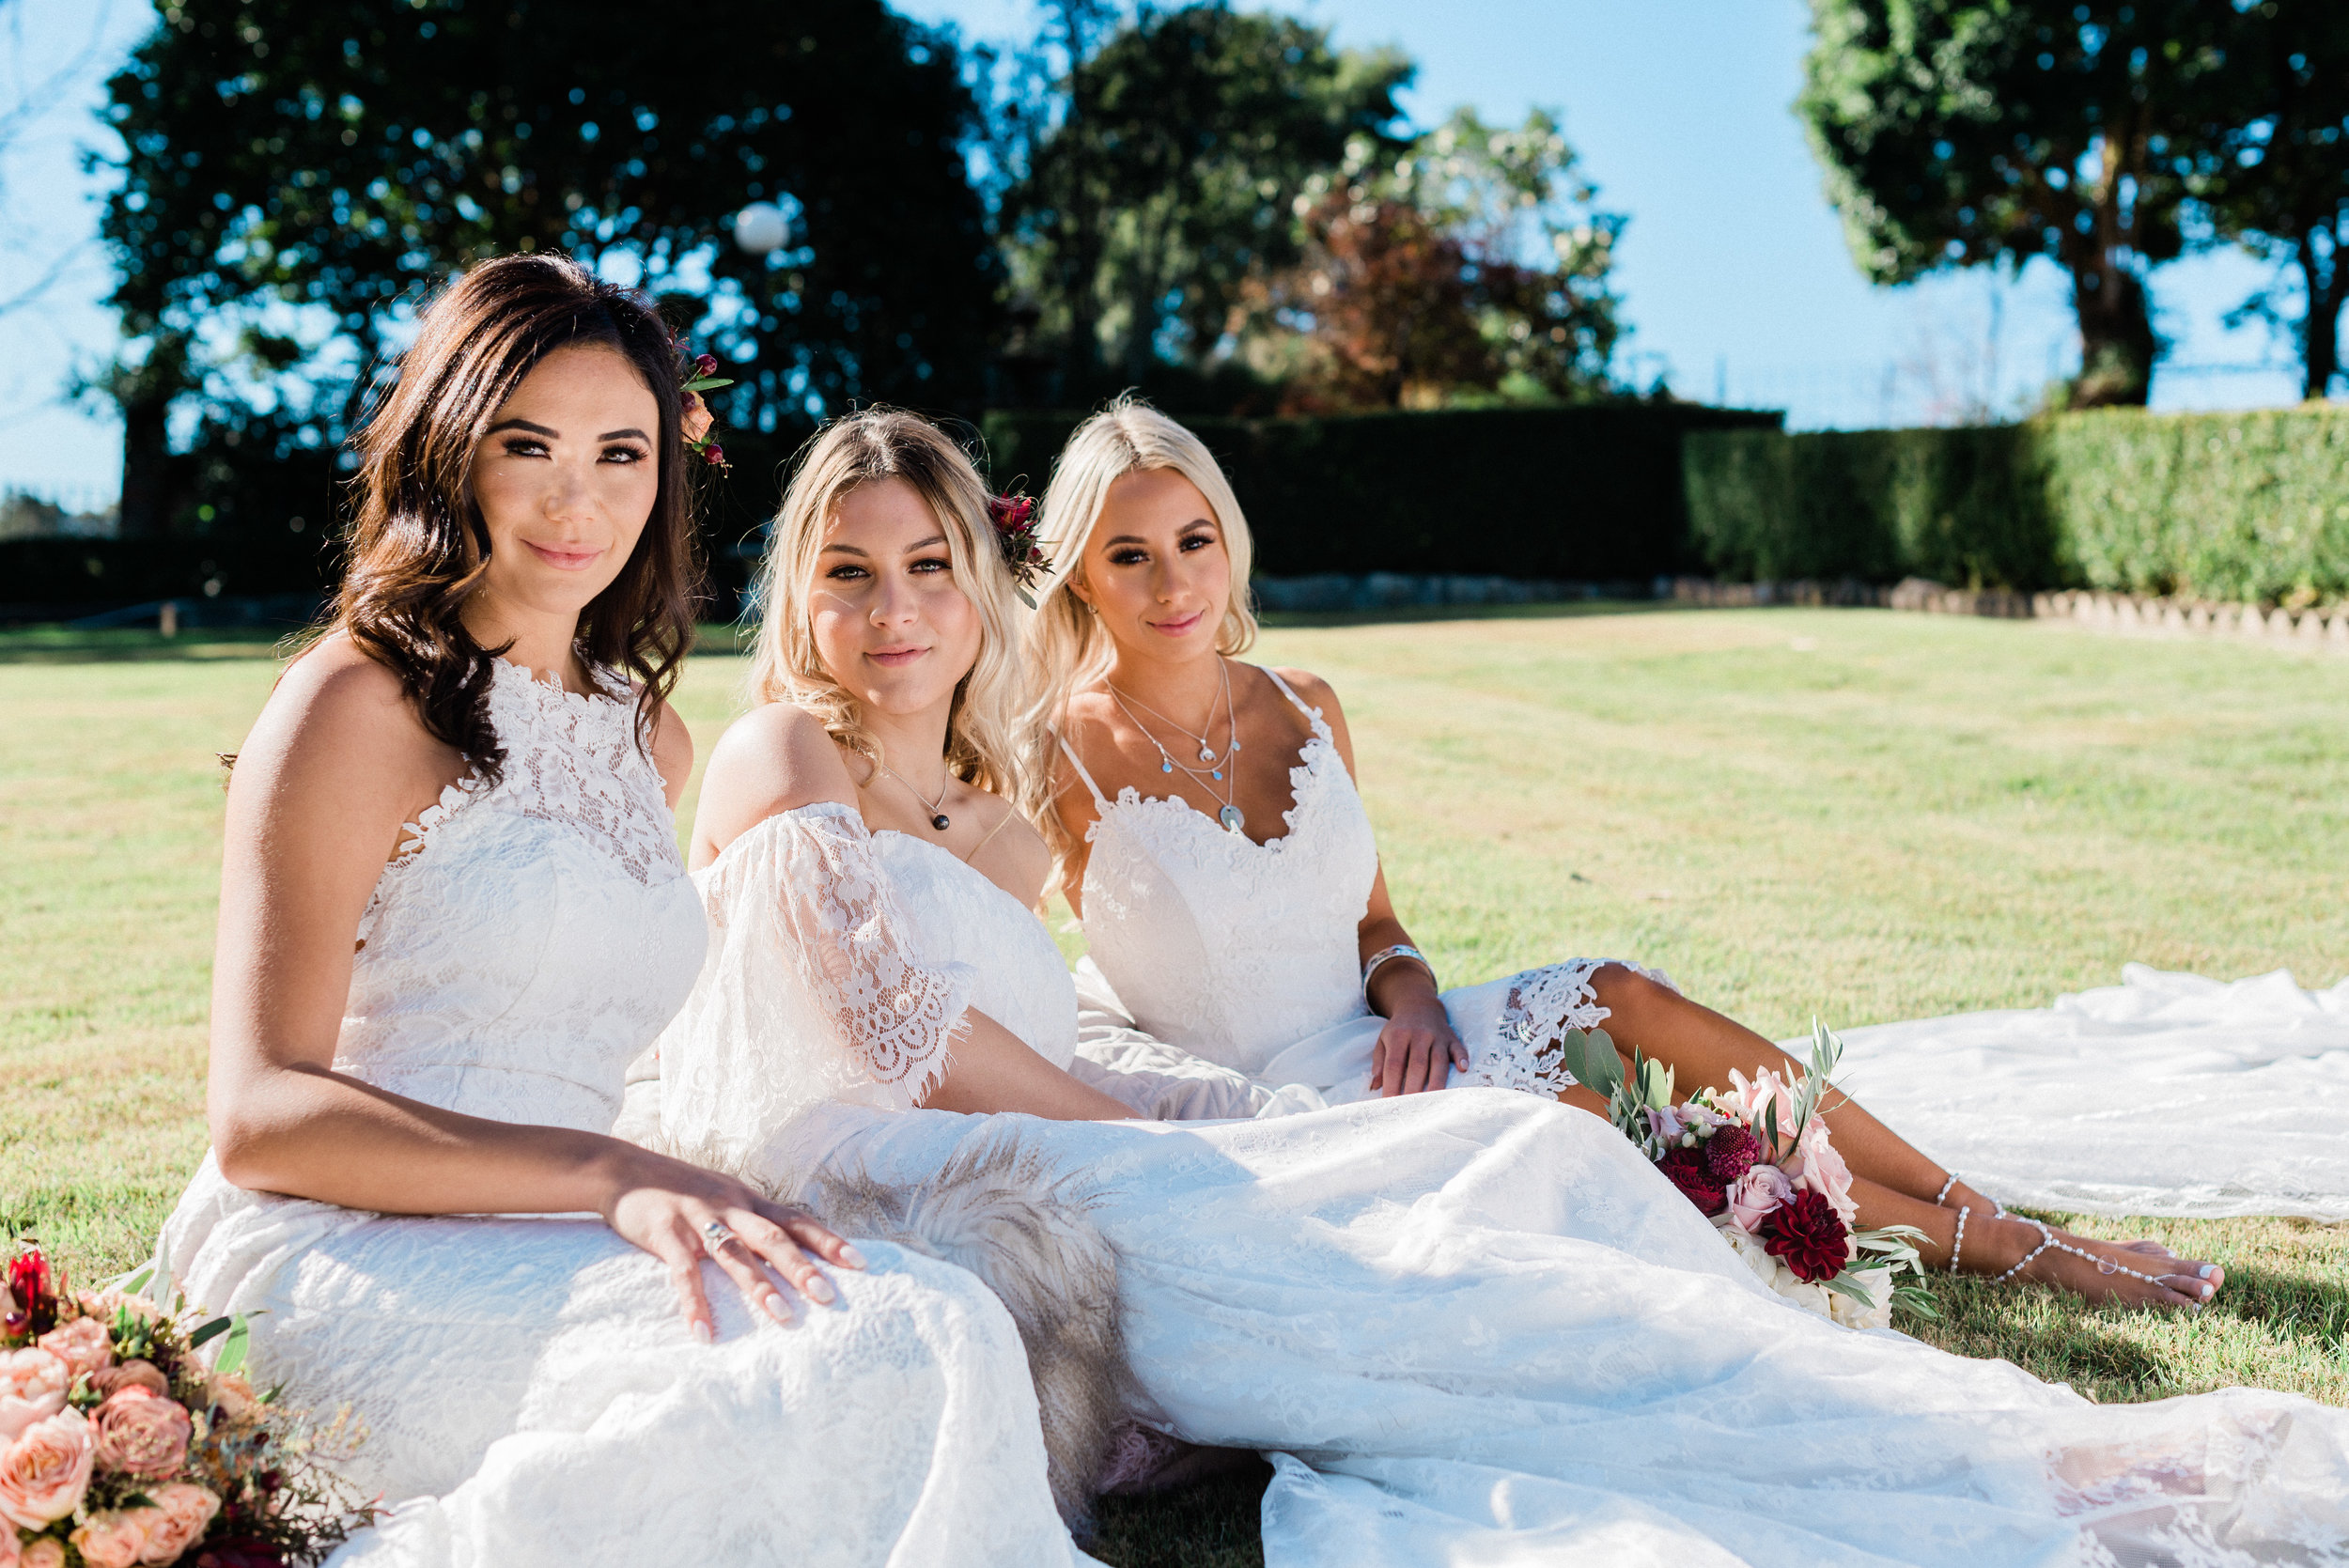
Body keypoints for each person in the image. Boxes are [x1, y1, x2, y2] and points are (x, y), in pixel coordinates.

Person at [655, 405, 2349, 1567]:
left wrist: (1314, 1035)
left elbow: (1053, 1008)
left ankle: (1937, 1317)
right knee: (1459, 1249)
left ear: (974, 576)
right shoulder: (828, 751)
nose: (894, 607)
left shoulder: (986, 798)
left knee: (1551, 1147)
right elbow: (914, 1036)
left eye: (927, 564)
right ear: (802, 583)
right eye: (851, 570)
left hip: (1159, 1111)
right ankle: (1980, 1465)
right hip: (978, 1171)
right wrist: (1174, 1114)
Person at [153, 256, 1085, 1567]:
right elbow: (258, 1118)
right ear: (448, 450)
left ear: (666, 474)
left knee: (943, 1318)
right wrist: (618, 1175)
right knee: (868, 1360)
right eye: (527, 444)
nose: (576, 498)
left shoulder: (647, 738)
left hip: (580, 1226)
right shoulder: (355, 702)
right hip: (347, 1248)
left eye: (621, 451)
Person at [1014, 396, 2233, 1312]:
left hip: (1393, 1039)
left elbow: (1376, 925)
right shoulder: (1045, 756)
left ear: (1228, 538)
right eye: (1130, 553)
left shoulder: (1310, 700)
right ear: (1080, 569)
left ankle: (1973, 1200)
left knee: (1623, 995)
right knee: (1612, 1115)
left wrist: (1418, 993)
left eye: (1194, 538)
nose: (1173, 579)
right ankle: (2033, 1255)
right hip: (1278, 1104)